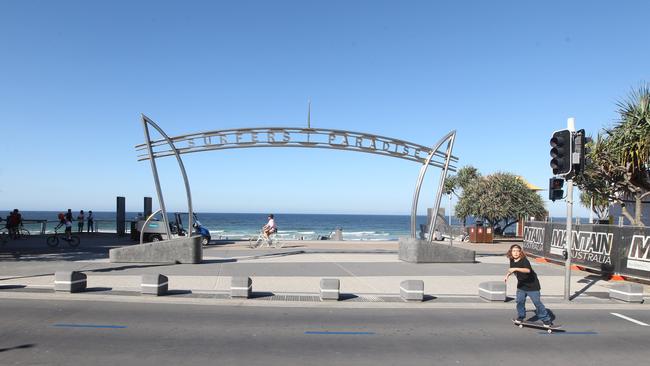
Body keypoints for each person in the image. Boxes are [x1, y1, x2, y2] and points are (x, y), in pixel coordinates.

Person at [505, 244, 553, 326]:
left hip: (532, 285)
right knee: (520, 301)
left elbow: (527, 270)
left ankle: (546, 320)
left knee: (537, 303)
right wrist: (507, 275)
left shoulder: (524, 260)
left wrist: (515, 269)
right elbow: (512, 269)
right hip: (521, 285)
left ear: (520, 252)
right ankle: (521, 317)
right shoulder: (512, 260)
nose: (516, 253)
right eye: (514, 251)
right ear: (511, 252)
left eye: (517, 251)